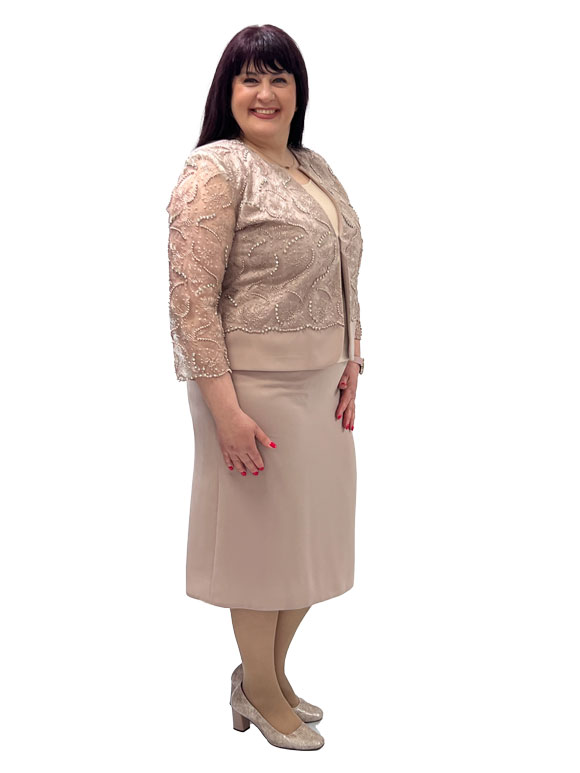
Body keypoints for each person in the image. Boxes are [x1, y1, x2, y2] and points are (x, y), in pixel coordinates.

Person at [166, 24, 364, 751]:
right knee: (261, 552)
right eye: (250, 78)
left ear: (298, 92)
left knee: (308, 545)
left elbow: (344, 271)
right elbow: (191, 301)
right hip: (250, 388)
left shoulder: (314, 167)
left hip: (322, 386)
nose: (265, 93)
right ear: (227, 91)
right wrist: (224, 410)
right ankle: (259, 686)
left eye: (280, 78)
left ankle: (266, 678)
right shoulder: (216, 169)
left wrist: (353, 362)